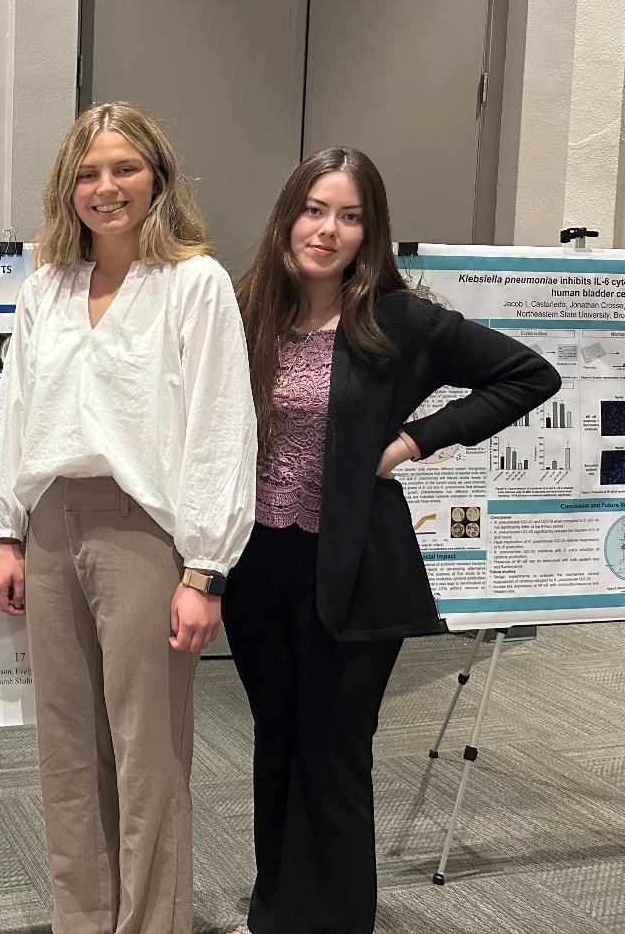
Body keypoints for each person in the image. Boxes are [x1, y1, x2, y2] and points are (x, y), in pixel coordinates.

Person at [225, 147, 561, 934]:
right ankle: (274, 910)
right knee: (276, 739)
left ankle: (337, 920)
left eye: (348, 215)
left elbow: (527, 374)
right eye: (313, 208)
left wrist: (413, 439)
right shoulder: (245, 311)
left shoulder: (397, 320)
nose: (326, 229)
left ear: (369, 231)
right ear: (287, 214)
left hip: (352, 569)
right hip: (256, 565)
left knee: (334, 750)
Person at [0, 101, 257, 934]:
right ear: (67, 187)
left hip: (145, 529)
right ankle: (83, 919)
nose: (105, 188)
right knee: (66, 748)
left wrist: (203, 568)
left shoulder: (194, 283)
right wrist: (5, 528)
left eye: (123, 169)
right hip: (52, 524)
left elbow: (219, 425)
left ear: (157, 180)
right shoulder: (47, 288)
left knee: (146, 755)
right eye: (88, 172)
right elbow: (14, 408)